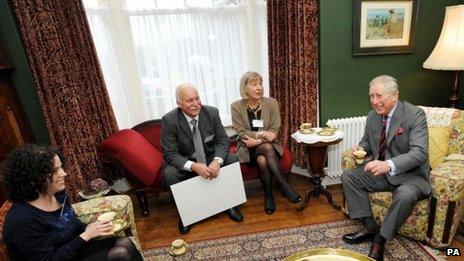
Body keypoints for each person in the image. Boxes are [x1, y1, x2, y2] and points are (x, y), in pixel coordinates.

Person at [341, 75, 431, 261]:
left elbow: (420, 153)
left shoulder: (414, 115)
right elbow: (367, 141)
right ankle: (370, 228)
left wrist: (388, 165)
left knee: (405, 195)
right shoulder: (372, 116)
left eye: (379, 96)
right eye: (371, 96)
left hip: (411, 176)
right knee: (349, 177)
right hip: (382, 174)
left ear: (395, 95)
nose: (374, 101)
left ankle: (380, 240)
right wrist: (361, 148)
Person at [2, 144, 143, 261]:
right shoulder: (21, 220)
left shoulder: (58, 196)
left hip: (71, 252)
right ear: (34, 178)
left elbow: (72, 225)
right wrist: (86, 236)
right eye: (56, 170)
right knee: (120, 254)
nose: (64, 173)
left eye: (61, 167)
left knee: (125, 243)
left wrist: (88, 228)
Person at [161, 83, 244, 234]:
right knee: (169, 173)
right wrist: (193, 166)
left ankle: (230, 204)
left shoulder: (211, 113)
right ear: (179, 103)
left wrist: (217, 161)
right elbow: (170, 154)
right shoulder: (169, 120)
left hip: (209, 156)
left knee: (232, 159)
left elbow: (222, 141)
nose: (195, 104)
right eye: (189, 100)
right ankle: (186, 215)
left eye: (197, 98)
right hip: (186, 160)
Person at [231, 71, 301, 214]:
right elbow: (241, 132)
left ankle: (268, 195)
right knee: (266, 148)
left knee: (263, 159)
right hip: (247, 147)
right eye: (254, 84)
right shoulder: (236, 107)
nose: (259, 88)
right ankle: (284, 186)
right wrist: (263, 134)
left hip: (264, 145)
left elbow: (274, 129)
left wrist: (257, 140)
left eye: (260, 84)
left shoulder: (272, 103)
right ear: (245, 89)